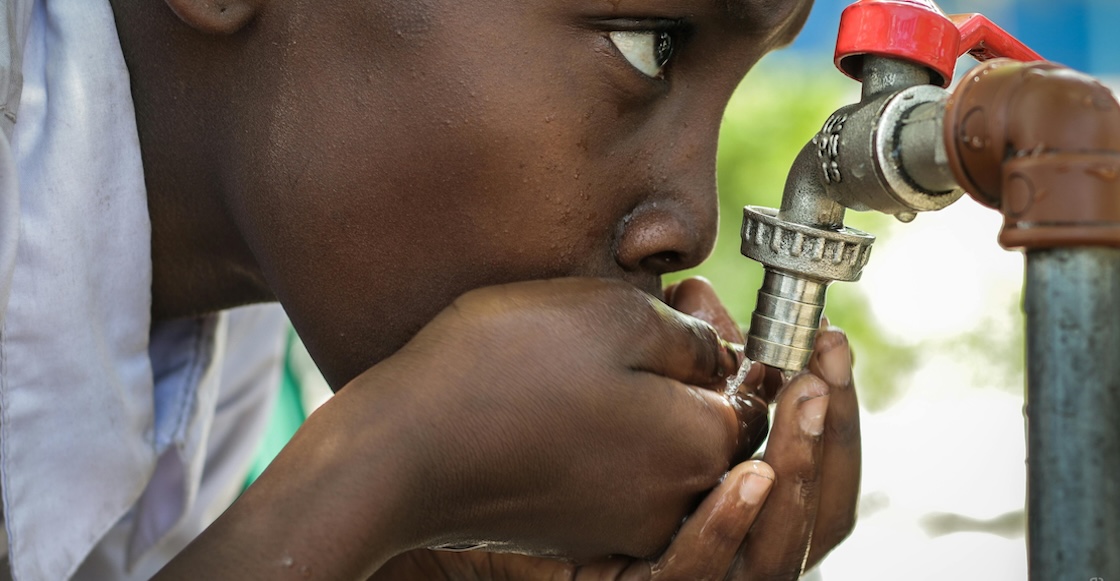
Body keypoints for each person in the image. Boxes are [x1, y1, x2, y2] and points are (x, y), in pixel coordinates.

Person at [0, 0, 861, 578]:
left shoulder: (222, 344)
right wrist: (378, 471)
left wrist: (402, 552)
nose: (692, 222)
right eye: (650, 45)